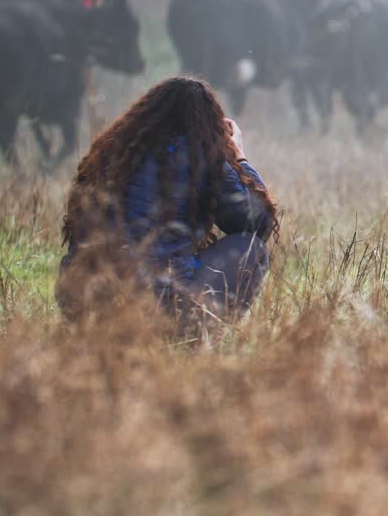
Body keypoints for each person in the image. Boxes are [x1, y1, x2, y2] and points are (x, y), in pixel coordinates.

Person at [57, 76, 278, 330]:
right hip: (156, 301)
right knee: (252, 249)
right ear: (208, 124)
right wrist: (239, 158)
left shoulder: (110, 152)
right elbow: (258, 222)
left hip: (82, 296)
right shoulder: (199, 153)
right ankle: (193, 337)